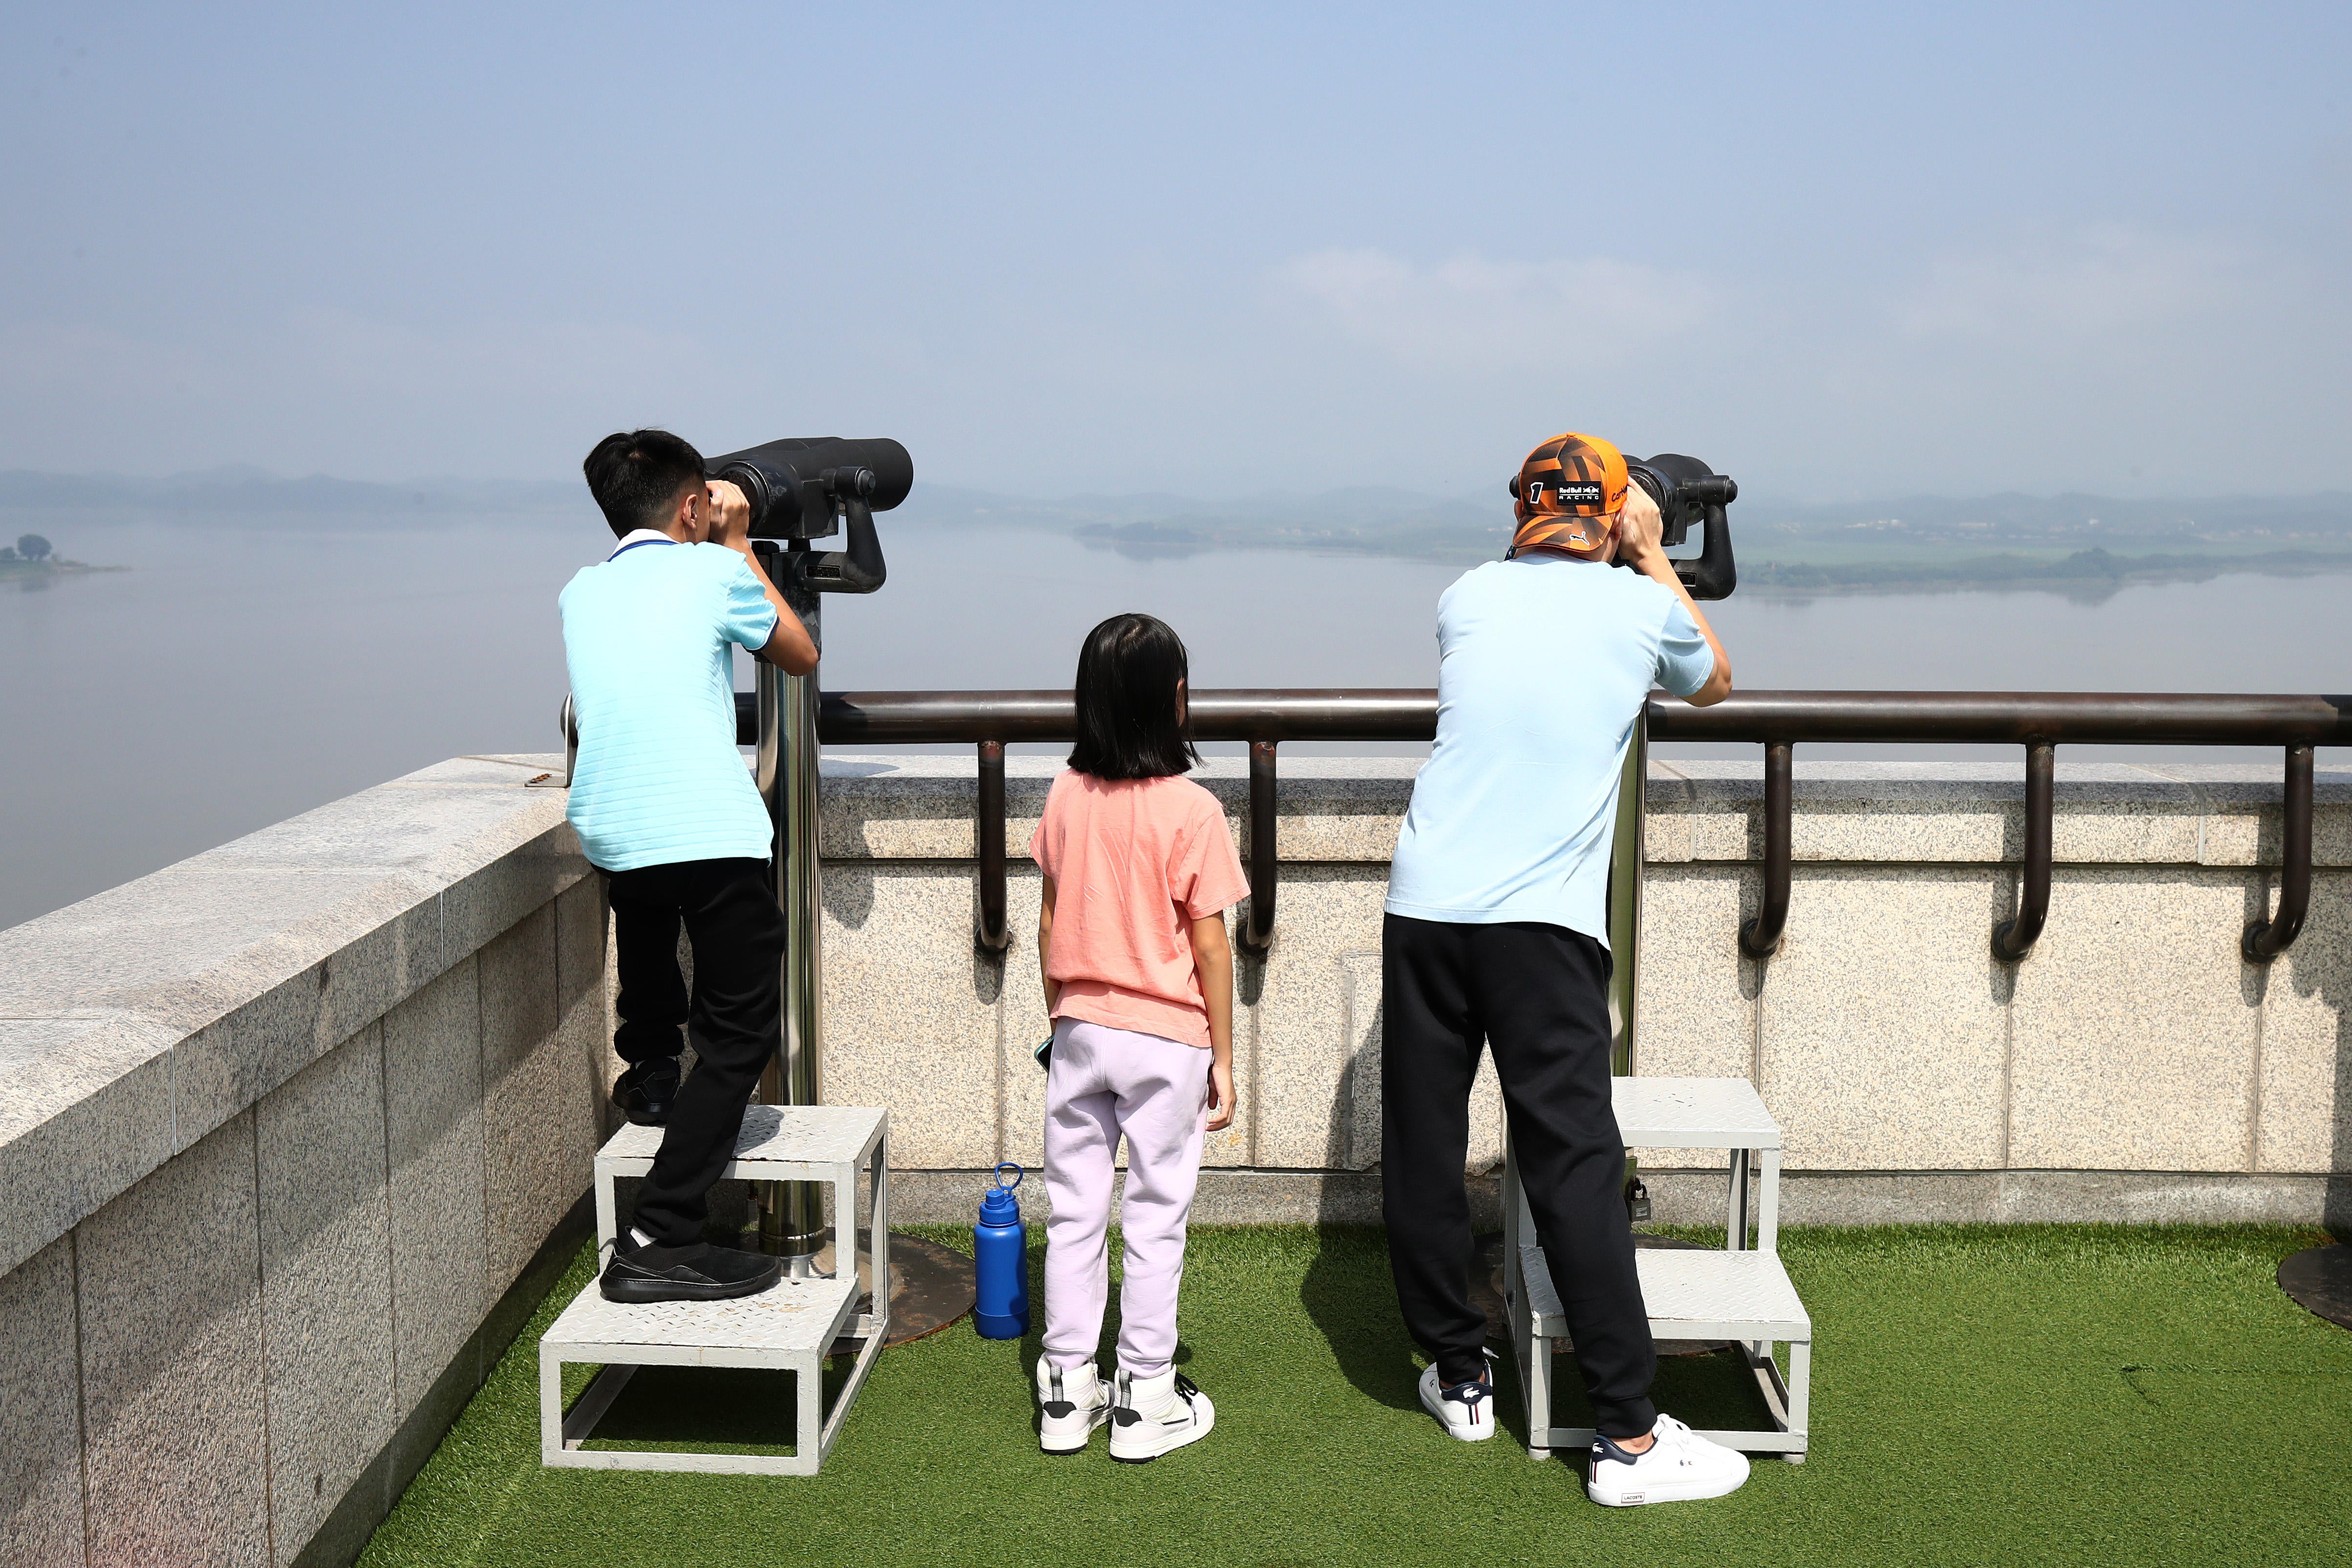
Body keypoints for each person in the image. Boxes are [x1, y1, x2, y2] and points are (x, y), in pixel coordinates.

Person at [1381, 432, 1749, 1506]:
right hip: (1540, 925)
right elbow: (1715, 681)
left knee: (1425, 1142)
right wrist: (1655, 554)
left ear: (1526, 509)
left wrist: (1615, 540)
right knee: (1575, 1162)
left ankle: (1458, 1372)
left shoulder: (1465, 595)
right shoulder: (1639, 608)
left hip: (1426, 904)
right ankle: (1629, 1439)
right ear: (1615, 513)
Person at [560, 429, 818, 1304]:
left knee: (648, 933)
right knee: (741, 1030)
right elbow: (797, 654)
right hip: (707, 826)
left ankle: (653, 1077)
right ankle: (658, 1237)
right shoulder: (712, 569)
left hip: (616, 826)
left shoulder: (580, 591)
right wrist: (741, 545)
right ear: (689, 506)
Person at [1028, 613, 1243, 1462]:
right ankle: (1144, 1394)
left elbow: (1050, 923)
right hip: (1167, 1040)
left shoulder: (1063, 794)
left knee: (1074, 1213)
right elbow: (1211, 944)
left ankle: (1064, 1390)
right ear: (1177, 702)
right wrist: (1223, 1059)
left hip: (1080, 1029)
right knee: (1155, 1218)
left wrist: (1061, 1017)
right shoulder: (1193, 809)